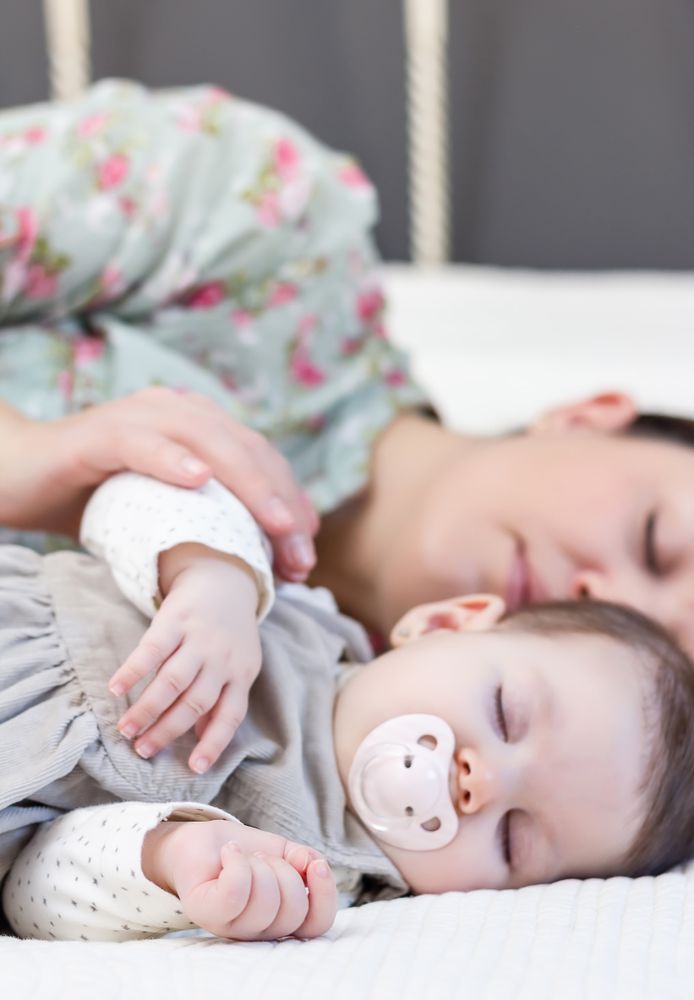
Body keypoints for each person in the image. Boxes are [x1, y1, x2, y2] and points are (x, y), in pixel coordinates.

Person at [2, 83, 694, 658]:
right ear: (587, 417)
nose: (607, 605)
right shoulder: (275, 226)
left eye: (660, 654)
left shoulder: (327, 768)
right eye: (653, 542)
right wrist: (27, 459)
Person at [2, 470, 694, 943]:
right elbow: (133, 491)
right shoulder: (276, 601)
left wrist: (171, 858)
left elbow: (32, 889)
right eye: (505, 712)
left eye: (515, 837)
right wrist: (210, 577)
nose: (483, 783)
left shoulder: (306, 877)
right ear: (445, 624)